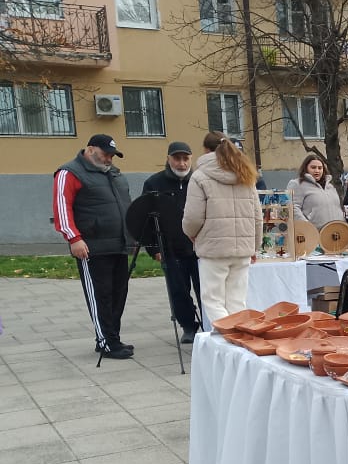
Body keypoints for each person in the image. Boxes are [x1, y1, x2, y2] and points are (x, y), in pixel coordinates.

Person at [53, 134, 134, 358]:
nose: (109, 159)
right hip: (91, 247)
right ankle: (107, 342)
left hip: (119, 245)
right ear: (90, 150)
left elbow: (125, 206)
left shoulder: (114, 174)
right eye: (105, 154)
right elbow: (62, 208)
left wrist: (133, 237)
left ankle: (112, 338)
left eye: (112, 155)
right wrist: (74, 238)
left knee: (118, 294)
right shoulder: (69, 172)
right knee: (101, 296)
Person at [181, 131, 263, 323]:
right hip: (242, 249)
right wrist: (255, 246)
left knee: (213, 300)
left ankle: (228, 336)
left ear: (205, 150)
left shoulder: (199, 176)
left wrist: (190, 233)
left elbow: (193, 217)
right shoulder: (246, 174)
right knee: (237, 301)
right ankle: (239, 336)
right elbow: (257, 216)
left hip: (214, 248)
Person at [142, 141, 201, 343]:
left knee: (206, 290)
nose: (182, 163)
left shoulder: (199, 181)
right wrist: (153, 248)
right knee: (178, 291)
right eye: (177, 158)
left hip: (201, 248)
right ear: (168, 159)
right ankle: (188, 326)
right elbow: (145, 218)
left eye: (186, 159)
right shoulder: (154, 183)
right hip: (170, 248)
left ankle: (209, 324)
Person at [288, 154, 344, 229]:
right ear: (306, 168)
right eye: (313, 167)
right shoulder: (297, 184)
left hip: (335, 232)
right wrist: (307, 227)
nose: (317, 171)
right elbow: (293, 208)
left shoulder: (330, 186)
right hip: (312, 232)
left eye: (320, 168)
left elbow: (338, 208)